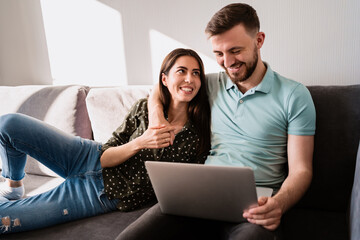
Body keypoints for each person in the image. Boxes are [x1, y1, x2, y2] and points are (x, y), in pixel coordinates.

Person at [117, 3, 316, 240]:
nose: (227, 62)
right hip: (198, 196)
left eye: (235, 50)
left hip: (255, 207)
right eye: (219, 54)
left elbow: (302, 169)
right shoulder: (210, 84)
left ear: (259, 40)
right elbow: (160, 87)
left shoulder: (294, 95)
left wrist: (279, 204)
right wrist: (157, 119)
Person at [0, 48, 211, 234]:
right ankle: (14, 185)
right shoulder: (144, 109)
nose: (189, 79)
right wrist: (141, 141)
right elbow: (104, 157)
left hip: (100, 194)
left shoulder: (198, 135)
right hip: (86, 155)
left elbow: (188, 188)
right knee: (8, 124)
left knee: (3, 221)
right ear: (164, 79)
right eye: (181, 71)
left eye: (196, 73)